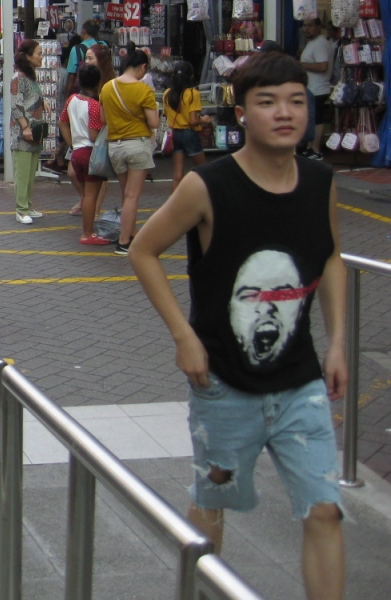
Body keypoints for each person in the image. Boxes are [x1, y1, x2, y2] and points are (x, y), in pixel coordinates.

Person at [129, 53, 346, 600]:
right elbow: (143, 250)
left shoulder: (320, 181)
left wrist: (339, 341)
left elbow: (332, 256)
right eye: (267, 102)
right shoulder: (208, 186)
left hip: (300, 382)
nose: (285, 113)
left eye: (296, 101)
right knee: (212, 508)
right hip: (222, 383)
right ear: (242, 113)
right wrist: (183, 336)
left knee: (325, 509)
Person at [100, 48, 159, 256]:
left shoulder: (107, 87)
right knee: (133, 196)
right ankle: (124, 242)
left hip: (115, 146)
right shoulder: (144, 90)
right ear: (142, 67)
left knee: (126, 194)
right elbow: (154, 122)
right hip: (137, 145)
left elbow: (103, 119)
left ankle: (131, 232)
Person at [59, 63, 109, 244]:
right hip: (91, 153)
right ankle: (87, 233)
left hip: (77, 152)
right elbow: (94, 135)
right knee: (90, 196)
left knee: (87, 194)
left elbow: (62, 122)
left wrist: (72, 143)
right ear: (98, 83)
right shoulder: (94, 105)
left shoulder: (71, 99)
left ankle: (88, 232)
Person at [11, 40, 46, 224]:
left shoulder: (31, 77)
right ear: (28, 56)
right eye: (38, 53)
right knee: (23, 173)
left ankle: (28, 206)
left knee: (31, 173)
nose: (41, 57)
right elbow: (15, 106)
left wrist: (42, 102)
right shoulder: (18, 78)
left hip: (34, 130)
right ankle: (21, 209)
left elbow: (29, 99)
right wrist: (24, 127)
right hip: (22, 133)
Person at [164, 60, 207, 191]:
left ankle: (173, 202)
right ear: (191, 76)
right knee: (204, 171)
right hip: (189, 133)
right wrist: (204, 120)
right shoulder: (193, 94)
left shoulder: (167, 93)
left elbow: (166, 114)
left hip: (175, 134)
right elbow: (193, 120)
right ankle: (208, 198)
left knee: (177, 175)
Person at [299, 17, 335, 160]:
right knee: (311, 119)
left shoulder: (320, 43)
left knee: (317, 119)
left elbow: (323, 66)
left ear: (318, 27)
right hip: (311, 88)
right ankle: (310, 147)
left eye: (310, 25)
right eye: (304, 26)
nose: (306, 29)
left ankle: (315, 149)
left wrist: (302, 65)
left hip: (318, 89)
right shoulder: (313, 43)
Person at [65, 19, 106, 92]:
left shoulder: (76, 50)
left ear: (83, 31)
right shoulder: (103, 45)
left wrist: (68, 94)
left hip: (84, 91)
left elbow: (71, 76)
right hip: (102, 88)